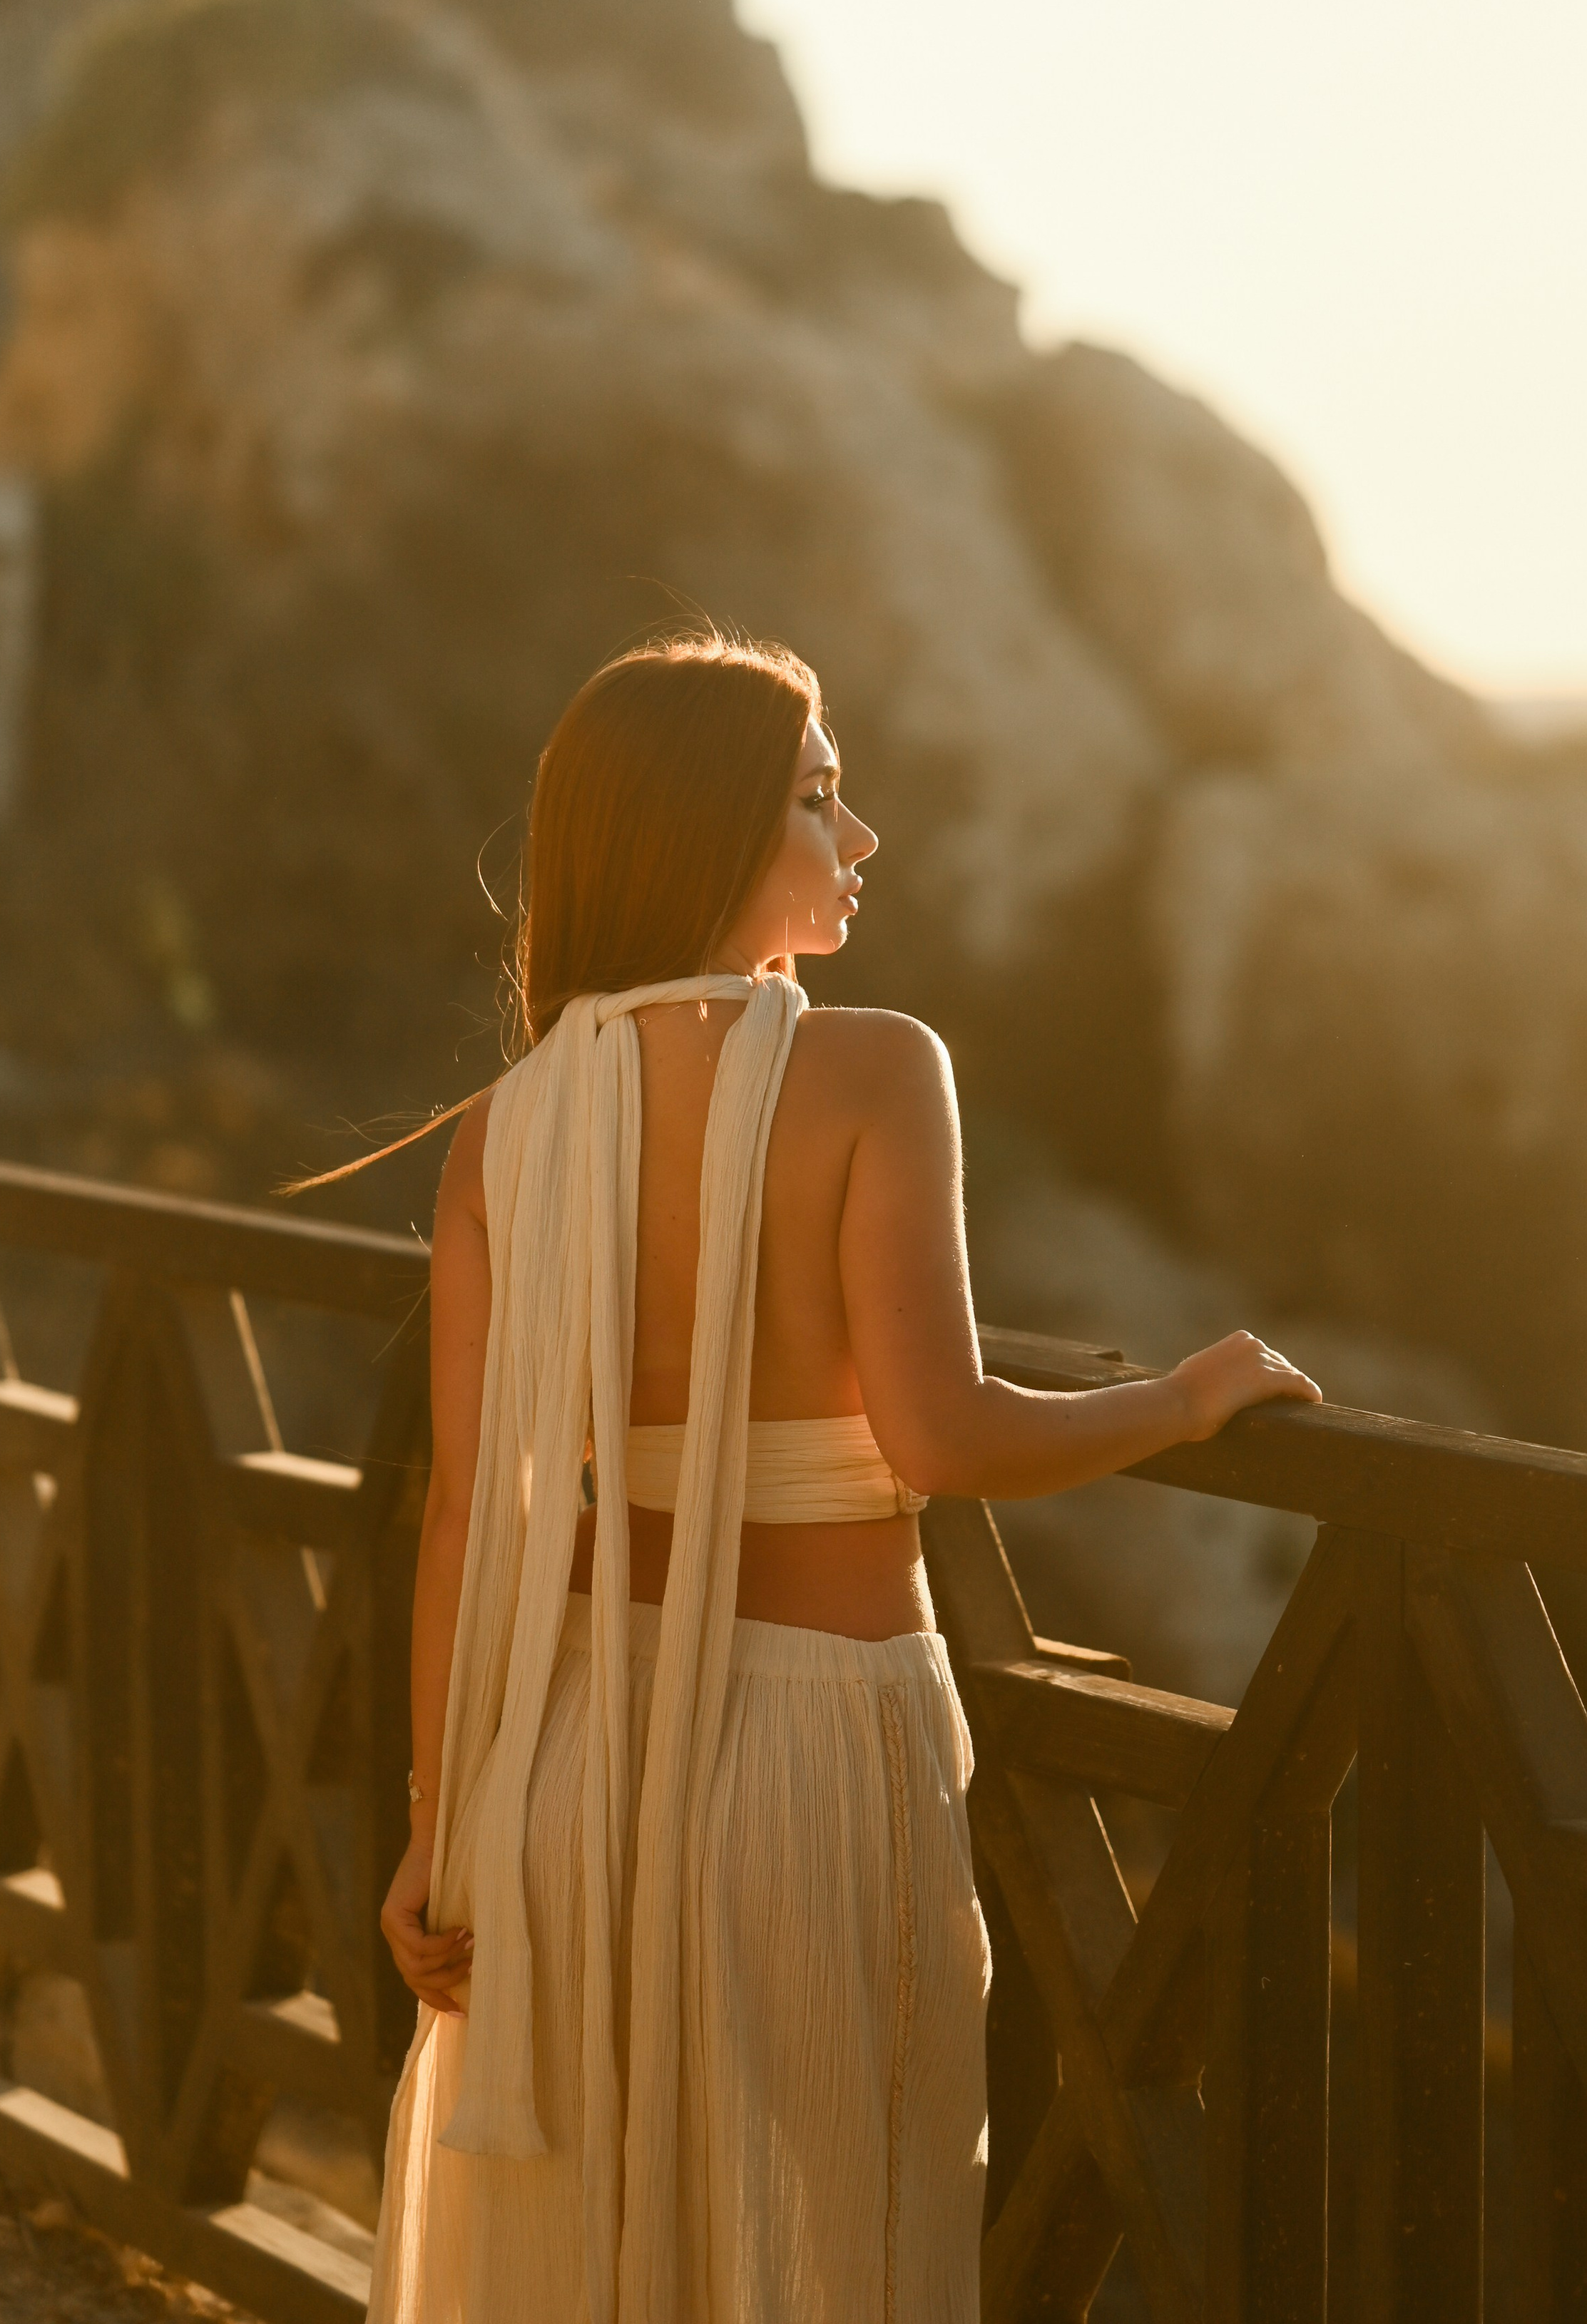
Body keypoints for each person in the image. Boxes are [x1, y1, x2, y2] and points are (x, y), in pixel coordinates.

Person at [362, 630, 1319, 2324]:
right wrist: (1177, 1400)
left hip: (569, 1757)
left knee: (606, 2249)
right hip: (819, 1736)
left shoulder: (502, 1128)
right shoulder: (875, 1066)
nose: (858, 837)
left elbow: (470, 1511)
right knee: (838, 2242)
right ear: (703, 833)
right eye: (817, 798)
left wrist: (439, 1834)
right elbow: (941, 1437)